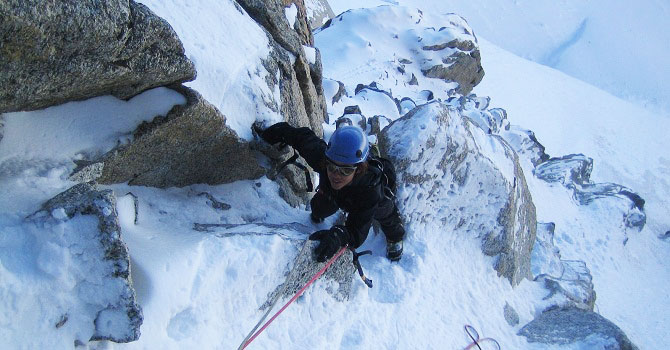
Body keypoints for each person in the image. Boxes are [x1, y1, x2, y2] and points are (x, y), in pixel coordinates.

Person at [258, 122, 405, 262]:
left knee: (385, 213)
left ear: (359, 169)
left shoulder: (370, 189)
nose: (336, 175)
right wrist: (280, 132)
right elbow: (302, 138)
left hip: (362, 198)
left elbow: (357, 232)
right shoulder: (324, 158)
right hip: (334, 194)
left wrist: (339, 236)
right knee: (318, 209)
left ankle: (395, 236)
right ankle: (319, 213)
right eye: (332, 167)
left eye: (346, 170)